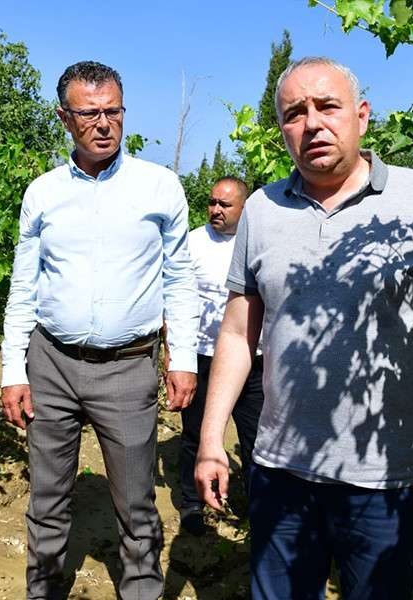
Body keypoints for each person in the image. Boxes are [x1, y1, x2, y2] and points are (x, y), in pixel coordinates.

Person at [194, 56, 413, 599]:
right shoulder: (263, 210)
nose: (312, 122)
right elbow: (238, 334)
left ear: (361, 116)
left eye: (327, 106)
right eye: (294, 113)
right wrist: (210, 441)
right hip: (281, 471)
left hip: (388, 480)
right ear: (282, 131)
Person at [0, 60, 199, 600]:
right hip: (51, 363)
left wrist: (182, 357)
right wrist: (13, 369)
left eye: (114, 111)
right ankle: (43, 589)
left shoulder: (159, 187)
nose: (104, 123)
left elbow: (180, 279)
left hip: (127, 367)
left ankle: (141, 591)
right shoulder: (42, 193)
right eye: (90, 114)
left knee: (136, 502)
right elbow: (25, 286)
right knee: (46, 498)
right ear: (65, 117)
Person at [178, 176, 264, 536]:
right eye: (212, 202)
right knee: (195, 434)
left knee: (258, 438)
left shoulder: (259, 243)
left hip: (252, 357)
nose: (215, 209)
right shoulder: (192, 243)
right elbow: (177, 300)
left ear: (243, 209)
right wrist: (176, 354)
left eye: (224, 204)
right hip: (203, 356)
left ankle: (259, 508)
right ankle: (191, 505)